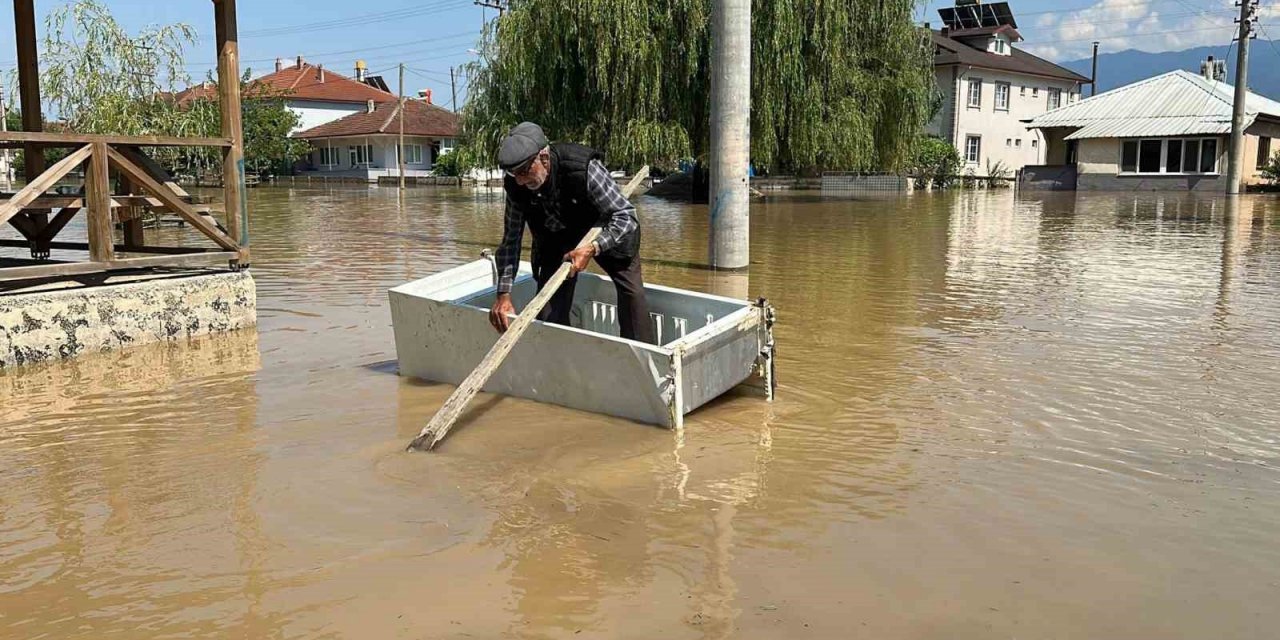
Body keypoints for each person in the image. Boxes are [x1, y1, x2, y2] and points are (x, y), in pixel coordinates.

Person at [489, 122, 655, 344]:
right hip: (557, 238)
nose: (520, 180)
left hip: (603, 230)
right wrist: (503, 295)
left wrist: (593, 247)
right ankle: (558, 363)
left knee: (632, 294)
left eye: (523, 171)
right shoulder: (516, 186)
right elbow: (511, 241)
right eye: (513, 173)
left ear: (544, 158)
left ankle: (642, 358)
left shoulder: (582, 168)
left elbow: (626, 216)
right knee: (548, 312)